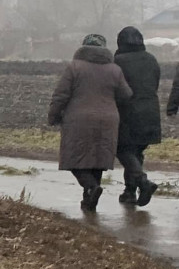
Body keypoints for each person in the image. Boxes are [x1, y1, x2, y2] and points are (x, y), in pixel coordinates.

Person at [47, 34, 132, 212]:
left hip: (78, 119)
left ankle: (91, 188)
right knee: (98, 159)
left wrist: (53, 116)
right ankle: (89, 199)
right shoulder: (115, 69)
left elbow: (61, 95)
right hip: (108, 119)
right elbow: (126, 94)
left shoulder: (74, 67)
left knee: (73, 158)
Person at [113, 26, 160, 206]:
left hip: (128, 112)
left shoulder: (118, 61)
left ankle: (142, 182)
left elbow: (117, 89)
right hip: (151, 111)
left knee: (123, 149)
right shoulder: (151, 59)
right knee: (136, 151)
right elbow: (154, 83)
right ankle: (129, 192)